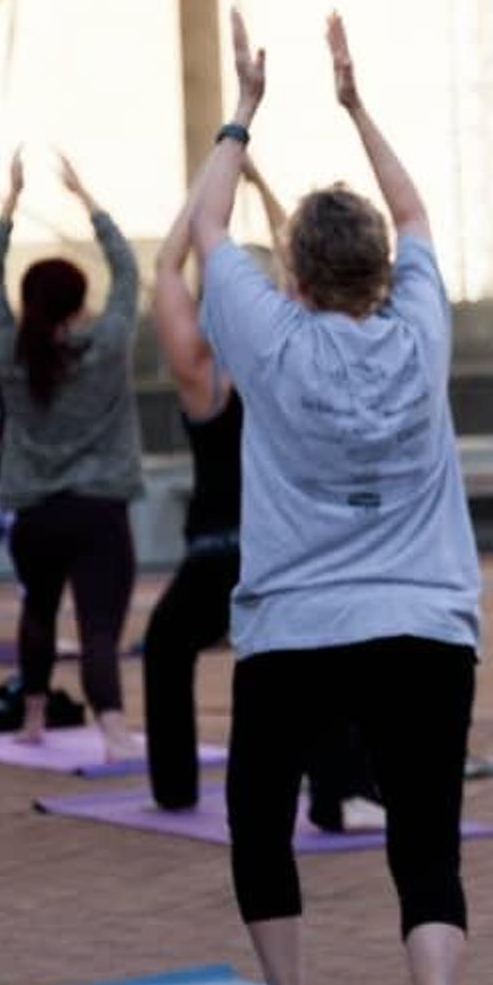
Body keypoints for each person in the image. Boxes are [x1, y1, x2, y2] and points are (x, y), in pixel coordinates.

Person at [188, 10, 481, 985]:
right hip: (425, 621)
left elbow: (204, 229)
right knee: (426, 838)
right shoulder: (421, 332)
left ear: (296, 275)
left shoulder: (267, 342)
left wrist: (242, 111)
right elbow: (416, 217)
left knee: (258, 820)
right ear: (379, 276)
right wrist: (356, 104)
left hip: (294, 628)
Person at [142, 155, 380, 830]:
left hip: (217, 555)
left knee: (167, 647)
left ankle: (174, 787)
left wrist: (206, 188)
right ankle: (341, 791)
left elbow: (164, 273)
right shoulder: (287, 358)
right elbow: (311, 272)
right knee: (327, 655)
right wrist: (262, 185)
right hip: (289, 545)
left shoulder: (205, 374)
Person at [0, 149, 143, 761]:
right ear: (79, 298)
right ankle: (111, 730)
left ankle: (32, 720)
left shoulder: (11, 352)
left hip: (35, 513)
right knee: (99, 625)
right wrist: (90, 203)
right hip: (99, 510)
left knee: (38, 610)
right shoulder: (106, 345)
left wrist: (9, 206)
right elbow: (129, 275)